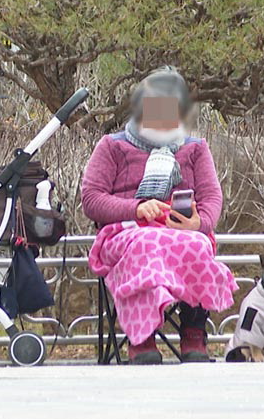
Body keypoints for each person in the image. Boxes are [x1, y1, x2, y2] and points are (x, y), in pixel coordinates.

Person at [82, 66, 238, 364]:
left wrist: (198, 223)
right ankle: (142, 336)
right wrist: (136, 208)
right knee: (147, 244)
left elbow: (211, 198)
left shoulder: (195, 149)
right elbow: (91, 199)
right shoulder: (112, 146)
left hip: (180, 232)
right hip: (126, 232)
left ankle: (194, 331)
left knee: (198, 243)